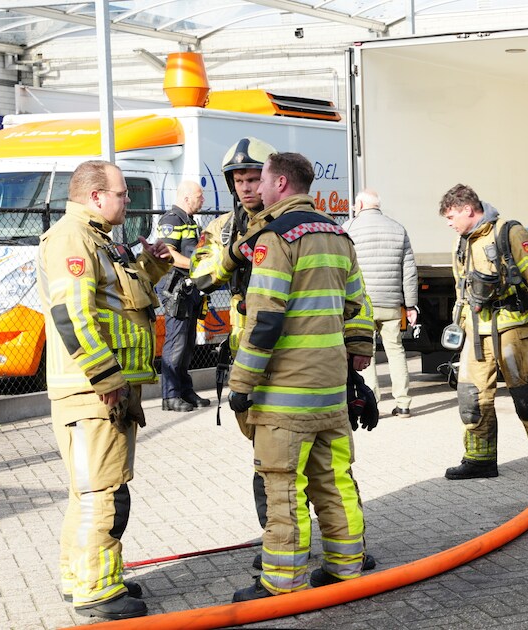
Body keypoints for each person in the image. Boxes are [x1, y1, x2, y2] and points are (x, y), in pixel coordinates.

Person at [227, 151, 376, 601]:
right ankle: (346, 569)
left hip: (286, 396)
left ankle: (282, 583)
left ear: (282, 184)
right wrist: (359, 353)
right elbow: (358, 305)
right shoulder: (337, 233)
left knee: (283, 488)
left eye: (264, 180)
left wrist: (240, 384)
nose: (258, 188)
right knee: (335, 483)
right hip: (330, 393)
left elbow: (265, 321)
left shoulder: (276, 238)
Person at [37, 160, 172, 620]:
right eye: (121, 193)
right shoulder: (72, 238)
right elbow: (71, 314)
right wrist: (105, 376)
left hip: (103, 391)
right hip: (94, 392)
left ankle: (84, 576)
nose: (127, 200)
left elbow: (123, 299)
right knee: (105, 492)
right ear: (96, 196)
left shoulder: (97, 239)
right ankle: (98, 590)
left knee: (89, 490)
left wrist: (152, 262)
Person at [438, 184, 528, 480]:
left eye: (451, 217)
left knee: (526, 395)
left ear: (467, 210)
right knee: (472, 398)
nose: (449, 223)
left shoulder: (510, 233)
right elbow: (461, 290)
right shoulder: (460, 242)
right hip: (476, 333)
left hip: (514, 329)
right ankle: (479, 460)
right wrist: (459, 326)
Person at [190, 137, 278, 569]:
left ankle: (342, 543)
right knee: (265, 455)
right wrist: (230, 254)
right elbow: (200, 276)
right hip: (249, 355)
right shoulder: (223, 228)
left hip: (299, 354)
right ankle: (276, 539)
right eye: (239, 180)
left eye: (253, 178)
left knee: (319, 452)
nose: (246, 187)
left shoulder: (294, 220)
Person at [343, 189, 419, 418]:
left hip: (361, 306)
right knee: (396, 351)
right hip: (391, 304)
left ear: (360, 204)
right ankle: (403, 403)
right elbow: (409, 271)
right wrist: (411, 305)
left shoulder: (349, 228)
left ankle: (372, 401)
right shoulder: (398, 229)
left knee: (366, 350)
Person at [157, 179, 208, 412]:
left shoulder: (189, 221)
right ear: (187, 198)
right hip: (175, 288)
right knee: (176, 343)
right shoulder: (171, 220)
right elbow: (167, 253)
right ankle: (170, 396)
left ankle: (185, 391)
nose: (203, 200)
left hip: (188, 288)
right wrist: (198, 268)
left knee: (187, 344)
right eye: (200, 196)